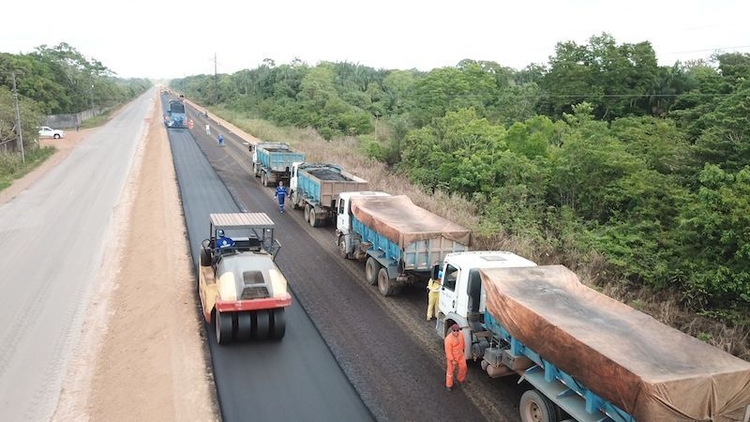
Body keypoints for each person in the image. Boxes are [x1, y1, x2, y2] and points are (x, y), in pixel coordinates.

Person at [444, 323, 467, 391]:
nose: (456, 332)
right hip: (452, 357)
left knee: (463, 367)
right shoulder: (448, 339)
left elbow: (463, 343)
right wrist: (452, 360)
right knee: (450, 371)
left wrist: (463, 350)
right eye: (454, 331)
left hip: (460, 355)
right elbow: (448, 351)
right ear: (452, 331)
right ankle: (449, 384)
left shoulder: (461, 334)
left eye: (457, 330)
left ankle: (460, 379)